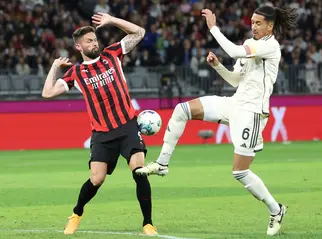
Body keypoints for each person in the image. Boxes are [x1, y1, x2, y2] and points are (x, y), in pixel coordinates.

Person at [136, 6, 297, 236]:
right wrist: (217, 67)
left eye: (259, 23)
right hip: (234, 103)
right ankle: (162, 164)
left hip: (252, 114)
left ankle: (276, 209)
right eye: (252, 22)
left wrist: (213, 28)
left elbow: (232, 51)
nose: (254, 26)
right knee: (182, 110)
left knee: (240, 172)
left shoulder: (269, 46)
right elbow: (235, 81)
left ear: (270, 26)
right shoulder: (250, 45)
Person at [41, 12, 157, 236]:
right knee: (97, 179)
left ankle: (148, 223)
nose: (94, 43)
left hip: (127, 126)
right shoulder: (76, 73)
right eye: (88, 41)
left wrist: (112, 20)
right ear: (78, 47)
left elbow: (140, 33)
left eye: (94, 39)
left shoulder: (112, 54)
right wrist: (55, 66)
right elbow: (47, 93)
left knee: (139, 172)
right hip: (102, 133)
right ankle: (76, 213)